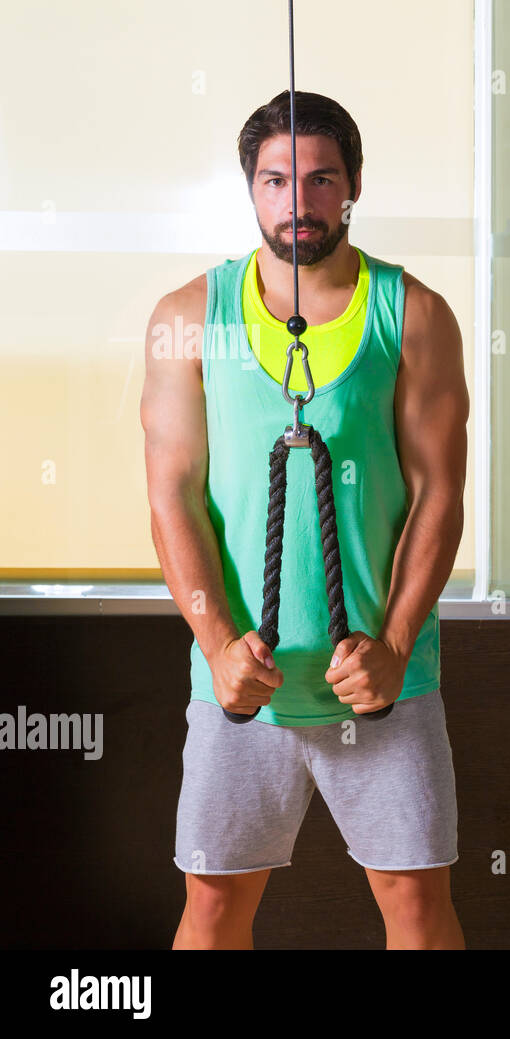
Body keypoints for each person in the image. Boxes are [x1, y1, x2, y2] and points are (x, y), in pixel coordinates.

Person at [140, 90, 469, 950]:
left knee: (415, 903)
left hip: (387, 682)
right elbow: (172, 492)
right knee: (211, 906)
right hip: (242, 682)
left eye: (320, 179)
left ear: (353, 184)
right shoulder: (186, 318)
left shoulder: (416, 314)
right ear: (250, 187)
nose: (298, 201)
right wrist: (216, 645)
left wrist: (395, 643)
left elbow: (440, 491)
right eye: (277, 179)